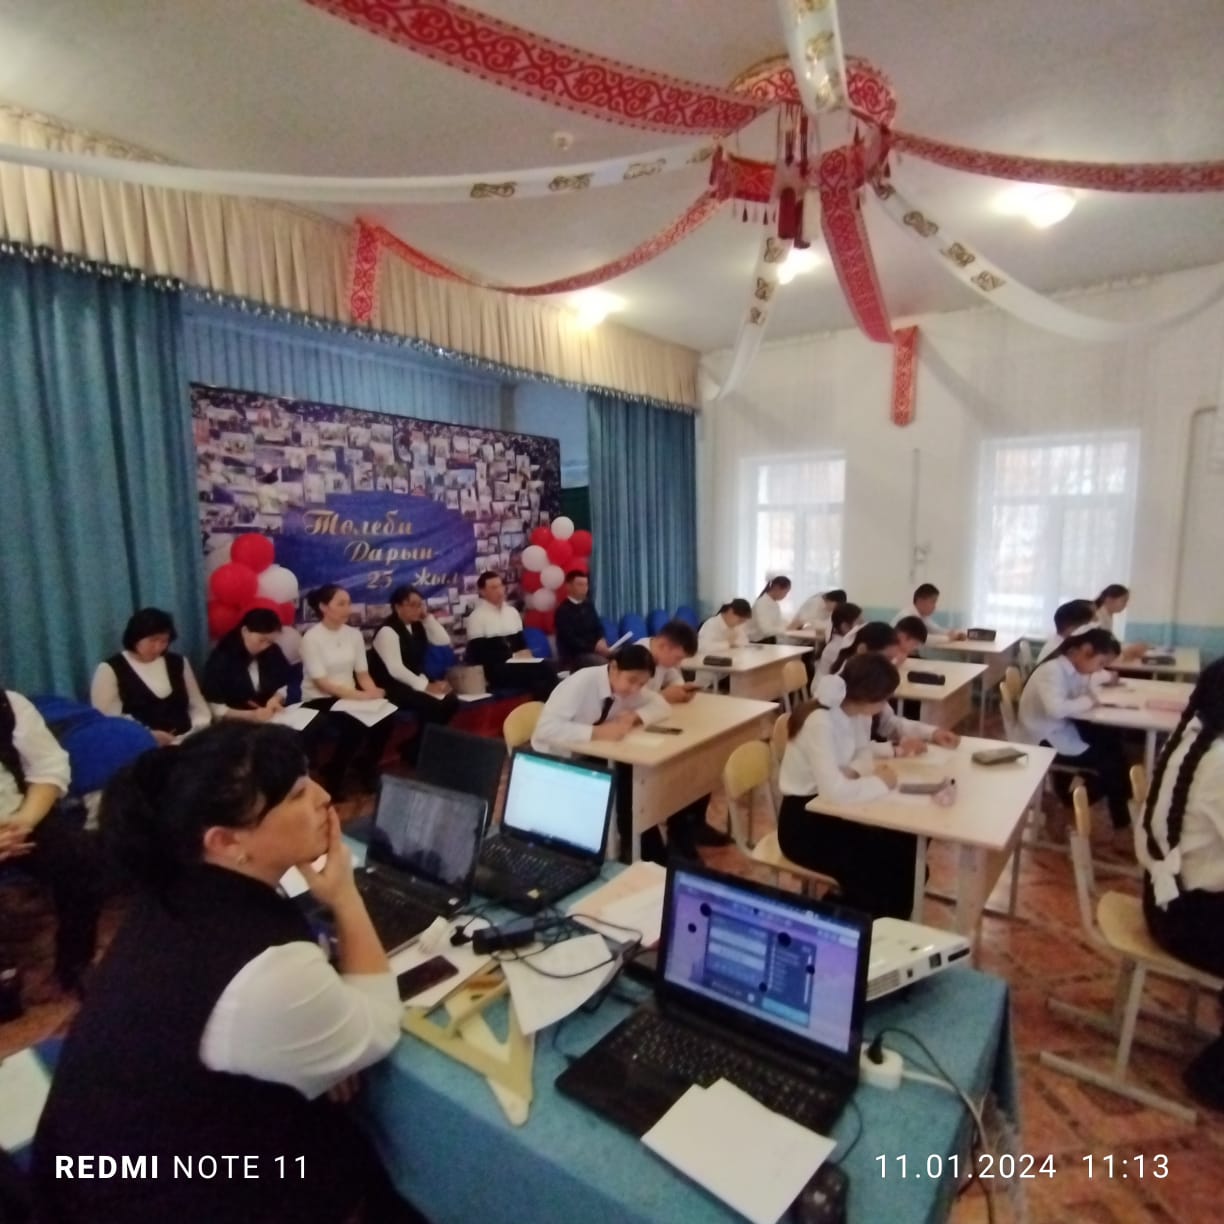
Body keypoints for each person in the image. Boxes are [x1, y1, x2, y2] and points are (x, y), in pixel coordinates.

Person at [32, 723, 417, 1224]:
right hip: (169, 1196)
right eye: (297, 794)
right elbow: (378, 1026)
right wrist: (344, 896)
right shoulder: (263, 967)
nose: (325, 798)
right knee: (370, 1167)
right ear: (227, 841)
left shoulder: (175, 892)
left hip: (94, 1167)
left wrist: (308, 1046)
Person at [1136, 658, 1224, 1111]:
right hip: (1186, 917)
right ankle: (1213, 1075)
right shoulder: (1220, 761)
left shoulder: (1190, 738)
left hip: (1163, 897)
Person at [777, 657, 917, 919]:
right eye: (885, 698)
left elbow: (863, 754)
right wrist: (880, 782)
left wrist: (851, 771)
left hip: (833, 810)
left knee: (904, 847)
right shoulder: (820, 721)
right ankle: (858, 920)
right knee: (879, 868)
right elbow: (835, 792)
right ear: (868, 697)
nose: (886, 704)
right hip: (804, 823)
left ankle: (882, 917)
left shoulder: (858, 715)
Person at [0, 689, 101, 996]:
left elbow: (47, 768)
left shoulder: (10, 704)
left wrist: (25, 822)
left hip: (17, 817)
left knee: (80, 858)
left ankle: (75, 962)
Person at [532, 646, 672, 862]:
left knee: (633, 776)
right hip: (556, 757)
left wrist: (635, 716)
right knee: (625, 782)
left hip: (589, 752)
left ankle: (641, 850)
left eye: (642, 684)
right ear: (614, 667)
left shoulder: (625, 687)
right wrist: (596, 732)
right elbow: (545, 729)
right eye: (632, 681)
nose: (635, 689)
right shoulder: (582, 683)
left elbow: (661, 705)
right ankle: (639, 852)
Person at [1017, 627, 1131, 829]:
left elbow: (1092, 679)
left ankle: (1071, 801)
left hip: (1061, 731)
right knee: (1112, 764)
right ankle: (1083, 807)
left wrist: (1106, 679)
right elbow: (1056, 709)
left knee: (1114, 743)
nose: (1099, 669)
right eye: (1100, 663)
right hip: (1043, 739)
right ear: (1085, 650)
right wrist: (1089, 700)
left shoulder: (1075, 667)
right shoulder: (1052, 670)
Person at [640, 621, 727, 854]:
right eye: (677, 657)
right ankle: (673, 835)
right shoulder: (636, 657)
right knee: (681, 765)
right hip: (634, 732)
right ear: (663, 645)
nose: (678, 663)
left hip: (655, 722)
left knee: (702, 754)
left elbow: (674, 679)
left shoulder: (662, 658)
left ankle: (693, 824)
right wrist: (664, 696)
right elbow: (631, 699)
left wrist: (681, 690)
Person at [300, 585, 393, 797]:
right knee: (355, 724)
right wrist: (360, 697)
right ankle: (336, 772)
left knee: (386, 716)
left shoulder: (354, 635)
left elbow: (362, 674)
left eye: (348, 603)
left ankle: (367, 765)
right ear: (324, 607)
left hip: (349, 697)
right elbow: (322, 683)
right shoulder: (311, 638)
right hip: (320, 698)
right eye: (341, 604)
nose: (347, 609)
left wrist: (373, 694)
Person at [831, 624, 961, 755]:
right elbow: (847, 751)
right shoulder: (836, 694)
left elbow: (888, 722)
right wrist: (895, 749)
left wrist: (932, 733)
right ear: (862, 650)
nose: (891, 664)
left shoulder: (868, 684)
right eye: (886, 658)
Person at [91, 607, 211, 744]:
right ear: (136, 638)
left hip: (186, 741)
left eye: (164, 641)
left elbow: (197, 706)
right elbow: (109, 719)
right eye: (153, 640)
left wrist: (195, 732)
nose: (158, 647)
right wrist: (149, 735)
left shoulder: (178, 662)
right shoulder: (110, 669)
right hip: (141, 744)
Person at [368, 586, 458, 763]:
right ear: (398, 607)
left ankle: (416, 746)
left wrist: (428, 618)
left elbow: (443, 640)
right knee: (432, 704)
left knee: (450, 701)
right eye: (412, 605)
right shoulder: (388, 631)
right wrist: (426, 686)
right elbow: (395, 669)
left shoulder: (417, 626)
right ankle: (417, 752)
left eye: (420, 605)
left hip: (414, 680)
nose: (418, 609)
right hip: (391, 686)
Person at [465, 571, 557, 700]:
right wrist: (512, 656)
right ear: (483, 592)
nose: (499, 591)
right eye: (493, 587)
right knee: (540, 672)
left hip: (518, 664)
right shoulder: (476, 617)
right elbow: (481, 655)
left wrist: (525, 653)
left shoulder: (512, 612)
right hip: (495, 669)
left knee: (548, 667)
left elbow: (521, 643)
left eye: (500, 586)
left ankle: (547, 706)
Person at [202, 607, 292, 723]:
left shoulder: (273, 651)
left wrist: (277, 698)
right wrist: (250, 715)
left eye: (270, 642)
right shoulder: (221, 658)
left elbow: (287, 680)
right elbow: (214, 706)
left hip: (270, 716)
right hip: (236, 721)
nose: (265, 646)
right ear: (244, 631)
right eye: (261, 640)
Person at [553, 570, 612, 670]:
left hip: (595, 650)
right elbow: (571, 640)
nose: (584, 588)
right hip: (575, 656)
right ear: (569, 586)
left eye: (586, 584)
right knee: (604, 665)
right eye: (580, 584)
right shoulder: (563, 611)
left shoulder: (588, 606)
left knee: (622, 657)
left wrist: (601, 639)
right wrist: (594, 648)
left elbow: (598, 626)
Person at [893, 583, 965, 643]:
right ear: (920, 601)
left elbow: (936, 630)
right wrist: (948, 638)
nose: (934, 606)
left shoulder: (922, 616)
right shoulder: (909, 616)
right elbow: (922, 638)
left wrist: (956, 634)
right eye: (933, 602)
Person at [1095, 583, 1151, 661]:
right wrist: (1129, 650)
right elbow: (1101, 647)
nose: (1125, 605)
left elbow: (1110, 641)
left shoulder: (1107, 615)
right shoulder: (1097, 616)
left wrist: (1131, 647)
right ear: (1109, 600)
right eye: (1124, 601)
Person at [1037, 599, 1098, 664]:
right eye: (1093, 617)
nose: (1097, 619)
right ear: (1074, 628)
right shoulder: (1059, 653)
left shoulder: (1064, 645)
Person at [816, 602, 864, 678]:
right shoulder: (837, 647)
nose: (863, 626)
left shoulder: (845, 642)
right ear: (845, 627)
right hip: (827, 684)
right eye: (860, 623)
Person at [749, 576, 792, 643]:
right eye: (785, 592)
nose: (785, 596)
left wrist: (789, 626)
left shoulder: (774, 604)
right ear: (777, 588)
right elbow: (766, 630)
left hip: (769, 639)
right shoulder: (761, 604)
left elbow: (778, 623)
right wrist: (785, 629)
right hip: (759, 641)